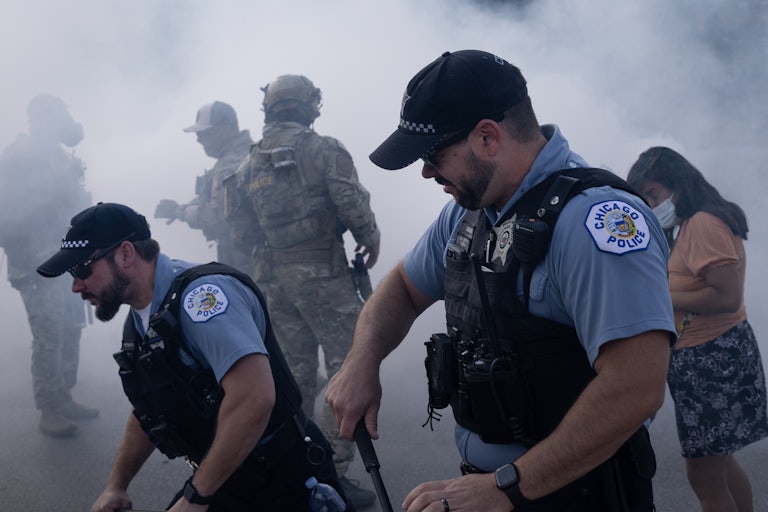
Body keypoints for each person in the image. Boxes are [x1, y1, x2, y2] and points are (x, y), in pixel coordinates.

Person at [325, 50, 675, 512]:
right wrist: (362, 359)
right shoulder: (469, 213)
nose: (427, 172)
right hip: (501, 491)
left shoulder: (595, 221)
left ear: (488, 137)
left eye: (433, 155)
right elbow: (403, 288)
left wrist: (506, 487)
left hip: (577, 494)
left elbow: (636, 385)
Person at [36, 202, 351, 512]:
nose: (76, 285)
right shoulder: (141, 319)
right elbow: (151, 409)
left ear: (126, 254)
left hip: (284, 483)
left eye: (81, 268)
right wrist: (116, 485)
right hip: (228, 478)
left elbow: (254, 399)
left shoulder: (201, 300)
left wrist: (195, 499)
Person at [226, 74, 380, 508]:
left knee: (292, 378)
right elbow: (351, 203)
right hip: (324, 279)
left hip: (274, 279)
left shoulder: (247, 163)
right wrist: (370, 235)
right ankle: (332, 474)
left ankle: (296, 469)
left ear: (269, 109)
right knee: (347, 368)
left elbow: (239, 230)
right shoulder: (323, 149)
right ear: (310, 106)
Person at [627, 146, 768, 512]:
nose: (649, 203)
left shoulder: (704, 224)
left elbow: (727, 297)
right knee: (718, 464)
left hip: (713, 359)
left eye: (653, 194)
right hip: (709, 356)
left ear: (679, 186)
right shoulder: (685, 224)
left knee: (704, 477)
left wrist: (659, 295)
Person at [0, 94, 97, 437]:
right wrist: (45, 198)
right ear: (40, 120)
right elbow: (6, 208)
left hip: (67, 258)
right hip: (36, 264)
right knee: (49, 337)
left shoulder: (59, 156)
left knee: (72, 329)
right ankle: (49, 409)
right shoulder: (17, 157)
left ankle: (65, 395)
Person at [155, 101, 254, 273]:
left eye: (206, 133)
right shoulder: (244, 155)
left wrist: (179, 211)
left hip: (248, 264)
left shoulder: (232, 164)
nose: (199, 139)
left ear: (227, 129)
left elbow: (218, 217)